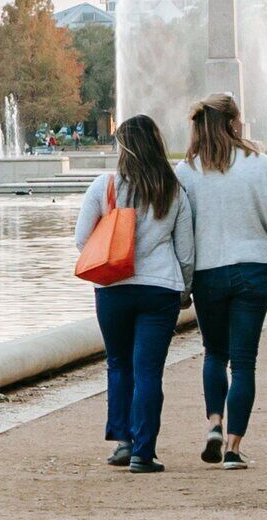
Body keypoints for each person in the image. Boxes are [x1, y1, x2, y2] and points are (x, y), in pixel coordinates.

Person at [176, 94, 267, 469]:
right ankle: (233, 448)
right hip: (253, 268)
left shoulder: (187, 171)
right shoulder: (260, 165)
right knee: (244, 363)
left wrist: (184, 281)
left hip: (207, 272)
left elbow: (181, 232)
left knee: (214, 353)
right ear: (232, 123)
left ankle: (214, 422)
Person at [77, 114, 201, 473]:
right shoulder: (173, 190)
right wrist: (186, 288)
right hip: (160, 287)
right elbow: (186, 251)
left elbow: (82, 239)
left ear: (124, 147)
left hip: (113, 287)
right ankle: (143, 453)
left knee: (118, 363)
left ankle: (122, 441)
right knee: (149, 371)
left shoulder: (106, 186)